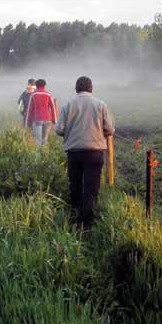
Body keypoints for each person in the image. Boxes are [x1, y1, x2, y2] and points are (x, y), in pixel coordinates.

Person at [55, 76, 114, 228]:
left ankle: (75, 213)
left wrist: (71, 132)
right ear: (91, 88)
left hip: (74, 152)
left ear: (76, 89)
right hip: (95, 152)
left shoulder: (67, 105)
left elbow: (59, 129)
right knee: (91, 186)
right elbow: (109, 130)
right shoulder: (101, 105)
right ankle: (86, 221)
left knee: (75, 183)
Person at [25, 79, 57, 145]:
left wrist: (27, 122)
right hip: (47, 120)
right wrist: (54, 120)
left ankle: (38, 155)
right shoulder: (48, 95)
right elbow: (53, 108)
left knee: (37, 141)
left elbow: (29, 110)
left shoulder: (33, 95)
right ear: (44, 85)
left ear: (36, 85)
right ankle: (45, 154)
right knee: (45, 140)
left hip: (37, 120)